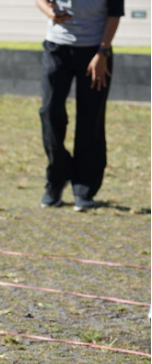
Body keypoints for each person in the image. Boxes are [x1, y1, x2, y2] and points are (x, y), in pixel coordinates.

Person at [36, 0, 122, 211]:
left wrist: (102, 53)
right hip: (57, 48)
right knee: (49, 111)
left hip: (95, 52)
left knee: (90, 119)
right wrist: (51, 12)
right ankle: (57, 178)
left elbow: (114, 14)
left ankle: (84, 187)